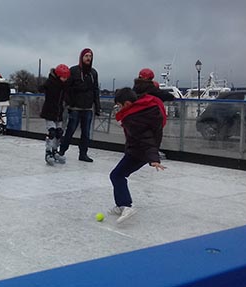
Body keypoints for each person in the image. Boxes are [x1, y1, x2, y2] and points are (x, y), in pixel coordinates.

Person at [109, 87, 167, 223]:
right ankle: (121, 205)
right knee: (118, 175)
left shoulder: (133, 118)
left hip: (138, 152)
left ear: (128, 104)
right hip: (137, 150)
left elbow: (146, 139)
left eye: (119, 105)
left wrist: (153, 158)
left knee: (117, 175)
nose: (118, 108)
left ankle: (126, 205)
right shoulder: (142, 110)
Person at [59, 48, 101, 162]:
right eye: (86, 56)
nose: (88, 58)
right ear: (81, 57)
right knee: (70, 131)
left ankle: (83, 154)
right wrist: (69, 102)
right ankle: (61, 151)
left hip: (88, 108)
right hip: (75, 107)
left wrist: (97, 106)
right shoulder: (74, 70)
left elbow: (96, 90)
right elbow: (67, 88)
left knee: (86, 133)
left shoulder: (93, 73)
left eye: (90, 56)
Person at [40, 64, 71, 165]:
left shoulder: (65, 85)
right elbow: (42, 87)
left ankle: (55, 150)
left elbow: (67, 96)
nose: (65, 79)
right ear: (58, 76)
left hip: (59, 112)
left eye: (66, 78)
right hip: (49, 112)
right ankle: (48, 152)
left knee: (59, 133)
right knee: (52, 132)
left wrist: (69, 102)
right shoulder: (51, 83)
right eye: (63, 77)